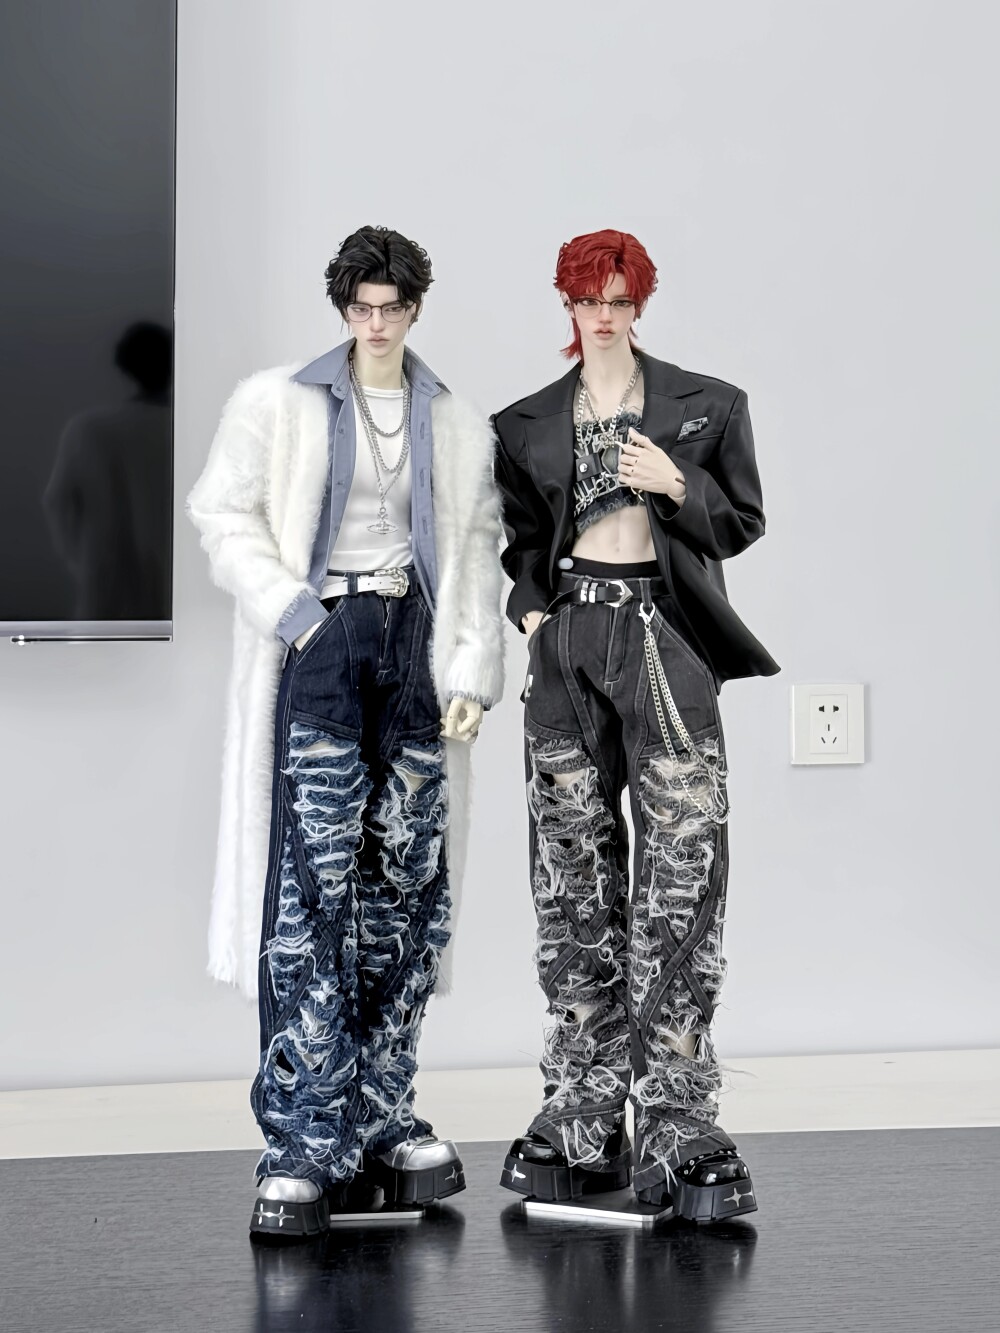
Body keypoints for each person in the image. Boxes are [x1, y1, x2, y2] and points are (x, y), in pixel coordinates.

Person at [188, 225, 504, 1241]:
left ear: (414, 308)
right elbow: (220, 512)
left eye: (392, 308)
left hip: (414, 644)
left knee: (405, 889)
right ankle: (300, 1139)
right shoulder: (276, 402)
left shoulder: (451, 420)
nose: (376, 324)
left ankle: (381, 1115)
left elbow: (476, 545)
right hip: (323, 637)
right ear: (342, 308)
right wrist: (293, 612)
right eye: (360, 308)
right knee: (311, 887)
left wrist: (470, 667)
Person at [492, 229, 778, 1224]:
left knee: (682, 870)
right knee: (570, 871)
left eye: (618, 299)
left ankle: (676, 1115)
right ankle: (581, 1107)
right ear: (567, 305)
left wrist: (676, 486)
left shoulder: (709, 405)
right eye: (588, 299)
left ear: (639, 303)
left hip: (665, 639)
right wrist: (534, 615)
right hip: (570, 638)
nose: (604, 315)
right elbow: (520, 541)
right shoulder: (525, 421)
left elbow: (740, 520)